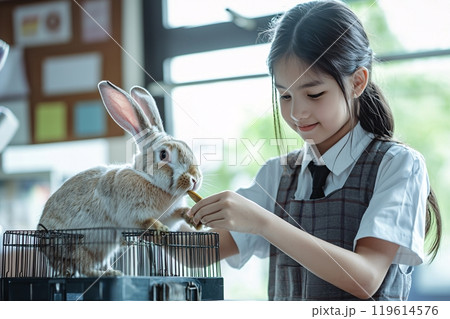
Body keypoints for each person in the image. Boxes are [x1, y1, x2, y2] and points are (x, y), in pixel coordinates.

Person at [187, 0, 442, 301]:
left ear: (358, 81)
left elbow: (366, 278)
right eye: (284, 95)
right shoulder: (276, 175)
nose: (297, 113)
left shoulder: (398, 165)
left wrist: (263, 222)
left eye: (314, 94)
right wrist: (146, 208)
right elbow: (195, 256)